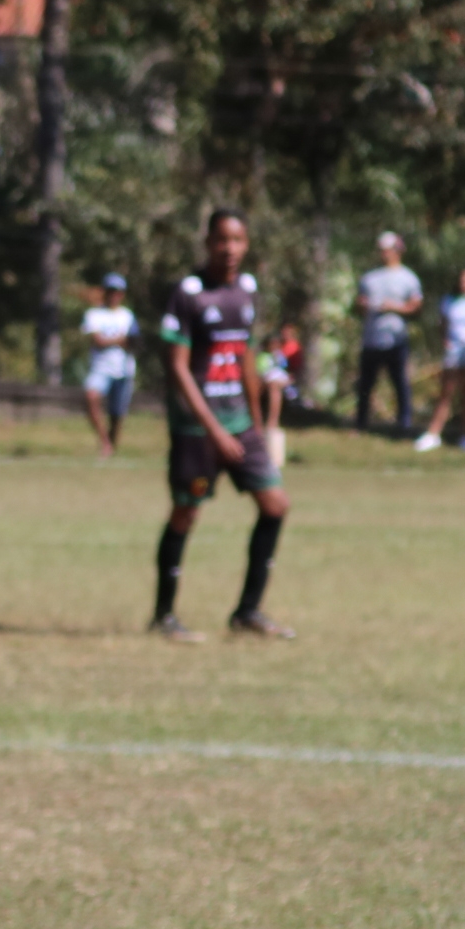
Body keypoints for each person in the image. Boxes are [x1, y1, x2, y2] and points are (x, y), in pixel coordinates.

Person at [151, 210, 293, 643]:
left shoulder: (246, 291)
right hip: (199, 429)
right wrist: (213, 430)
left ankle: (247, 612)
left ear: (246, 244)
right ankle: (163, 616)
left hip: (240, 423)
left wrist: (255, 424)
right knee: (186, 512)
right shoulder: (189, 294)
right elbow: (178, 368)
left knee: (275, 505)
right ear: (208, 242)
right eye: (221, 240)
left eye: (237, 240)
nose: (229, 248)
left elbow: (245, 358)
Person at [353, 232, 423, 436]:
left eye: (388, 250)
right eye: (381, 250)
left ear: (398, 251)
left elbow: (416, 307)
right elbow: (358, 307)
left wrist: (395, 308)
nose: (384, 254)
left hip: (396, 339)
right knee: (365, 384)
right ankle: (360, 424)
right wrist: (361, 305)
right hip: (371, 339)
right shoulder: (369, 278)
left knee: (400, 383)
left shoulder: (408, 278)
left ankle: (404, 425)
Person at [415, 269, 465, 452]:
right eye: (463, 279)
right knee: (447, 391)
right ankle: (434, 433)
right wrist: (445, 340)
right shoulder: (449, 300)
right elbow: (443, 324)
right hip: (454, 351)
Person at [79, 274, 138, 456]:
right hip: (101, 368)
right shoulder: (94, 314)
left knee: (117, 414)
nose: (114, 295)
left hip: (124, 369)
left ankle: (111, 447)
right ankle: (105, 442)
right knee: (91, 397)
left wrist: (112, 340)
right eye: (111, 291)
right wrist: (119, 339)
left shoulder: (127, 316)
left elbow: (135, 341)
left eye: (117, 292)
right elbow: (98, 341)